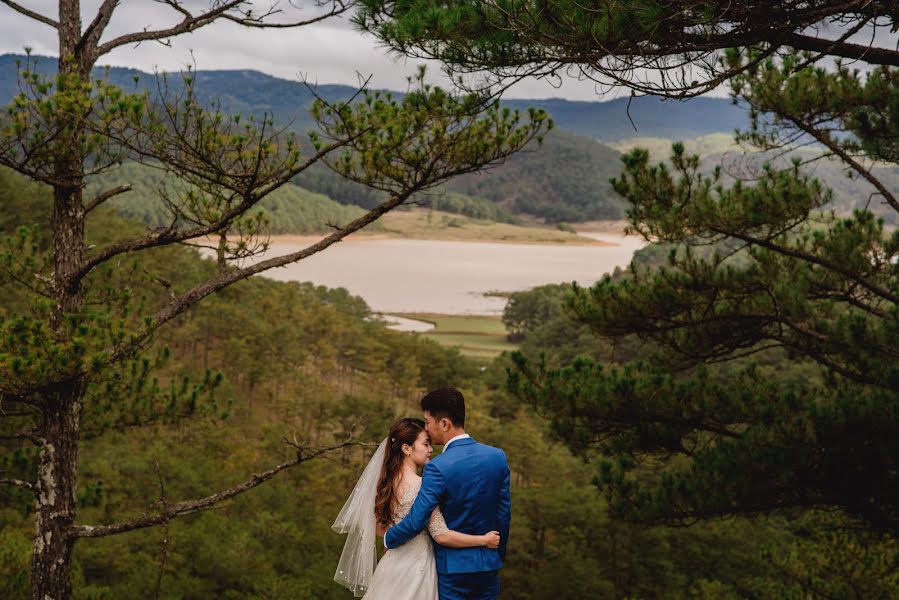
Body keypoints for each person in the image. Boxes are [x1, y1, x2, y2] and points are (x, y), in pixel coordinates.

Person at [333, 415, 500, 598]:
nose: (430, 450)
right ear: (406, 448)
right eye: (425, 444)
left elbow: (380, 529)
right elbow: (442, 535)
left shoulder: (385, 483)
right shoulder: (421, 485)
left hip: (391, 566)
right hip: (416, 572)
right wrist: (484, 540)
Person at [385, 388, 511, 600]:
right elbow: (504, 514)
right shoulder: (497, 457)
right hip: (488, 566)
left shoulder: (438, 467)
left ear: (444, 423)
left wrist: (389, 538)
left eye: (427, 422)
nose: (426, 428)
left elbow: (417, 520)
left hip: (453, 572)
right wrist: (496, 556)